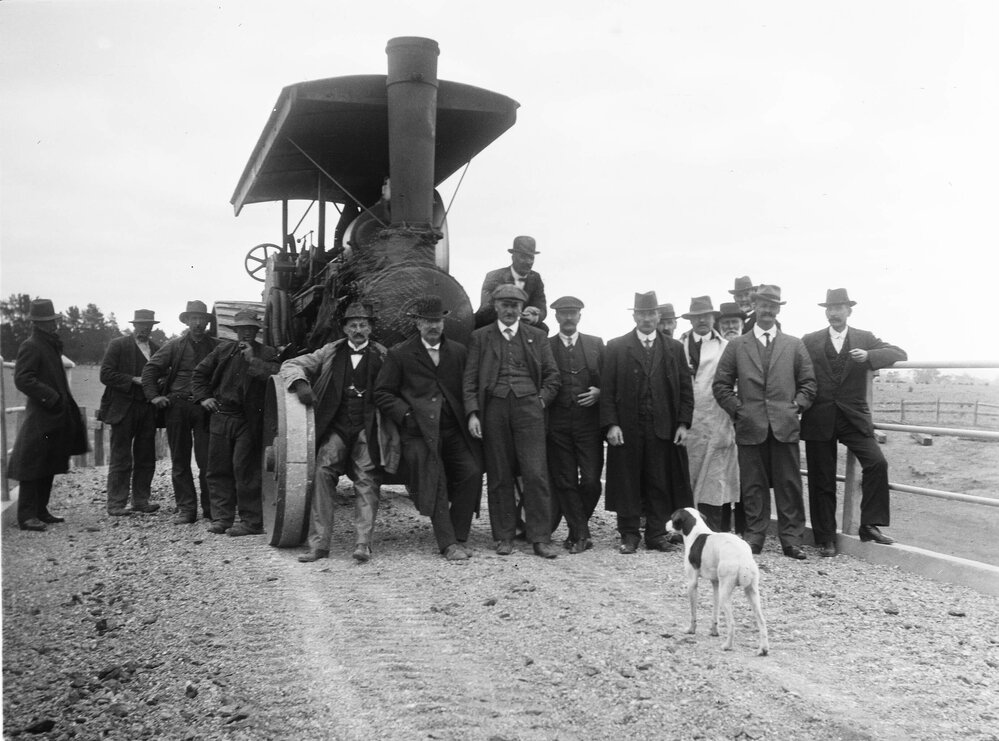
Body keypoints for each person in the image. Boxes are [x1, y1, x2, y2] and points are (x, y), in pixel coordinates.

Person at [374, 296, 482, 561]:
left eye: (437, 321)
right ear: (417, 323)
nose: (433, 326)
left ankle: (459, 535)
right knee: (436, 479)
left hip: (452, 429)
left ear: (443, 323)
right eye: (427, 321)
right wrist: (406, 415)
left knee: (471, 472)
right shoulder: (400, 353)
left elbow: (469, 387)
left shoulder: (458, 352)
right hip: (418, 433)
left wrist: (471, 415)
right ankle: (448, 544)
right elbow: (382, 393)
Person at [801, 288, 907, 556]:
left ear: (849, 311)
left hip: (853, 417)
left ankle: (869, 524)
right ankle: (825, 538)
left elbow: (899, 352)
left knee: (877, 463)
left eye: (839, 308)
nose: (833, 313)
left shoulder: (864, 338)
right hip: (819, 417)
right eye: (829, 308)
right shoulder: (810, 340)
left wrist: (870, 356)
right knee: (821, 479)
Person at [281, 302, 390, 563]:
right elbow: (291, 364)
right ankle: (319, 545)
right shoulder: (330, 351)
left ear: (370, 328)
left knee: (367, 479)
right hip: (337, 426)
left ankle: (363, 544)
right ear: (344, 328)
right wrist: (300, 383)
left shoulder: (384, 355)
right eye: (353, 325)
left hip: (366, 428)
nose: (358, 330)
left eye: (363, 325)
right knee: (322, 472)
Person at [713, 285, 816, 559]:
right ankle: (754, 537)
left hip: (785, 426)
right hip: (750, 426)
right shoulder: (737, 345)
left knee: (789, 484)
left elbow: (809, 383)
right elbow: (721, 385)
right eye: (763, 305)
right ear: (755, 307)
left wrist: (797, 406)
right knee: (753, 485)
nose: (768, 310)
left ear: (778, 309)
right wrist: (739, 410)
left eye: (773, 306)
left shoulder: (794, 345)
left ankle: (792, 540)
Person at [463, 284, 561, 558]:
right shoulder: (480, 337)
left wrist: (540, 401)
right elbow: (469, 379)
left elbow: (553, 376)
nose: (509, 310)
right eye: (505, 305)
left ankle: (540, 537)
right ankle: (503, 536)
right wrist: (473, 413)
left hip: (529, 409)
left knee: (536, 473)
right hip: (494, 408)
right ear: (496, 307)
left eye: (514, 306)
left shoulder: (536, 336)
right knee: (499, 473)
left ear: (521, 309)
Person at [600, 291, 694, 553]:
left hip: (663, 427)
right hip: (627, 427)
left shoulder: (673, 348)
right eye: (641, 314)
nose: (646, 319)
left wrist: (683, 424)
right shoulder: (617, 347)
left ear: (658, 315)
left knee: (659, 481)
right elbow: (607, 390)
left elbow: (685, 390)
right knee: (628, 480)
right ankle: (629, 534)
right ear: (634, 316)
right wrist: (611, 424)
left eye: (651, 313)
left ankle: (656, 534)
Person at [193, 310, 280, 537]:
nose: (246, 333)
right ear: (236, 331)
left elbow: (277, 376)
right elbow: (199, 374)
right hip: (220, 415)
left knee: (245, 469)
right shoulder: (223, 350)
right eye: (242, 329)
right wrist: (204, 397)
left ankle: (252, 521)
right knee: (217, 469)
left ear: (256, 331)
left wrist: (253, 360)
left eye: (250, 329)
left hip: (247, 420)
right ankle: (222, 518)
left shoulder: (268, 353)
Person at [7, 299, 89, 531]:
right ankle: (26, 516)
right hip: (41, 414)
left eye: (53, 320)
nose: (54, 325)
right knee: (32, 463)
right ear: (38, 323)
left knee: (48, 461)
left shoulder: (49, 344)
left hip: (53, 414)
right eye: (49, 321)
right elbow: (23, 378)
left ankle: (41, 510)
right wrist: (51, 398)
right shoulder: (32, 345)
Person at [142, 300, 219, 524]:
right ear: (186, 321)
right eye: (193, 318)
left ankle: (211, 509)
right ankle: (186, 509)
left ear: (207, 322)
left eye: (201, 318)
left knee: (208, 460)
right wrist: (154, 396)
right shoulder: (174, 346)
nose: (198, 323)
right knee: (180, 460)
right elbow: (150, 369)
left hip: (204, 408)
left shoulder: (216, 347)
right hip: (177, 407)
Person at [546, 296, 604, 554]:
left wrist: (600, 392)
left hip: (588, 424)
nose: (568, 317)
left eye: (573, 313)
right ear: (556, 317)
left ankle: (576, 530)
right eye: (563, 313)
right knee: (565, 480)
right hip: (557, 424)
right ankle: (581, 533)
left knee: (591, 481)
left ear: (580, 316)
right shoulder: (546, 346)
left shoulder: (595, 344)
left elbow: (609, 379)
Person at [678, 297, 739, 532]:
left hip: (716, 420)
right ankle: (685, 530)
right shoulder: (679, 345)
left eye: (706, 316)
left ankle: (711, 531)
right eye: (696, 317)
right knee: (685, 476)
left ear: (714, 318)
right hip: (685, 422)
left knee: (714, 478)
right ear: (690, 320)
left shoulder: (726, 347)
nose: (702, 320)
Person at [98, 309, 162, 517]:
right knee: (121, 457)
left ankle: (141, 501)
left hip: (147, 408)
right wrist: (132, 380)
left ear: (152, 327)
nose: (145, 328)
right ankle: (116, 503)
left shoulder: (156, 349)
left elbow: (163, 374)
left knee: (146, 456)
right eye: (141, 325)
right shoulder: (118, 345)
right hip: (123, 408)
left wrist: (160, 382)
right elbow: (105, 374)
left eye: (148, 325)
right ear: (134, 325)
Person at [474, 236, 548, 331]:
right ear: (513, 257)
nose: (528, 262)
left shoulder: (535, 278)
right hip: (495, 322)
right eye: (523, 257)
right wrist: (517, 315)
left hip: (523, 326)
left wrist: (534, 316)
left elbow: (541, 306)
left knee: (543, 329)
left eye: (531, 257)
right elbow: (487, 310)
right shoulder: (494, 276)